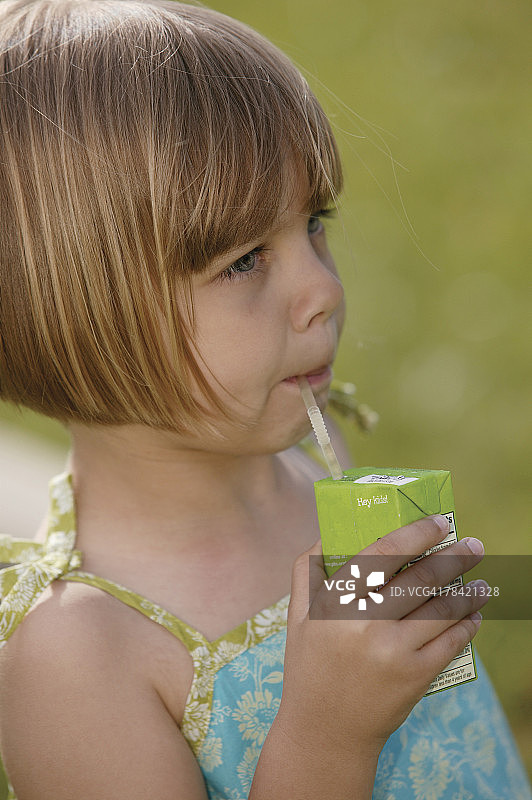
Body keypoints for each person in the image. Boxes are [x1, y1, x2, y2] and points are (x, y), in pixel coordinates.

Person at [0, 1, 529, 798]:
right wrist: (329, 732)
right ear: (71, 312)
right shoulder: (74, 661)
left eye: (314, 222)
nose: (322, 286)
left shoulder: (311, 460)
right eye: (244, 260)